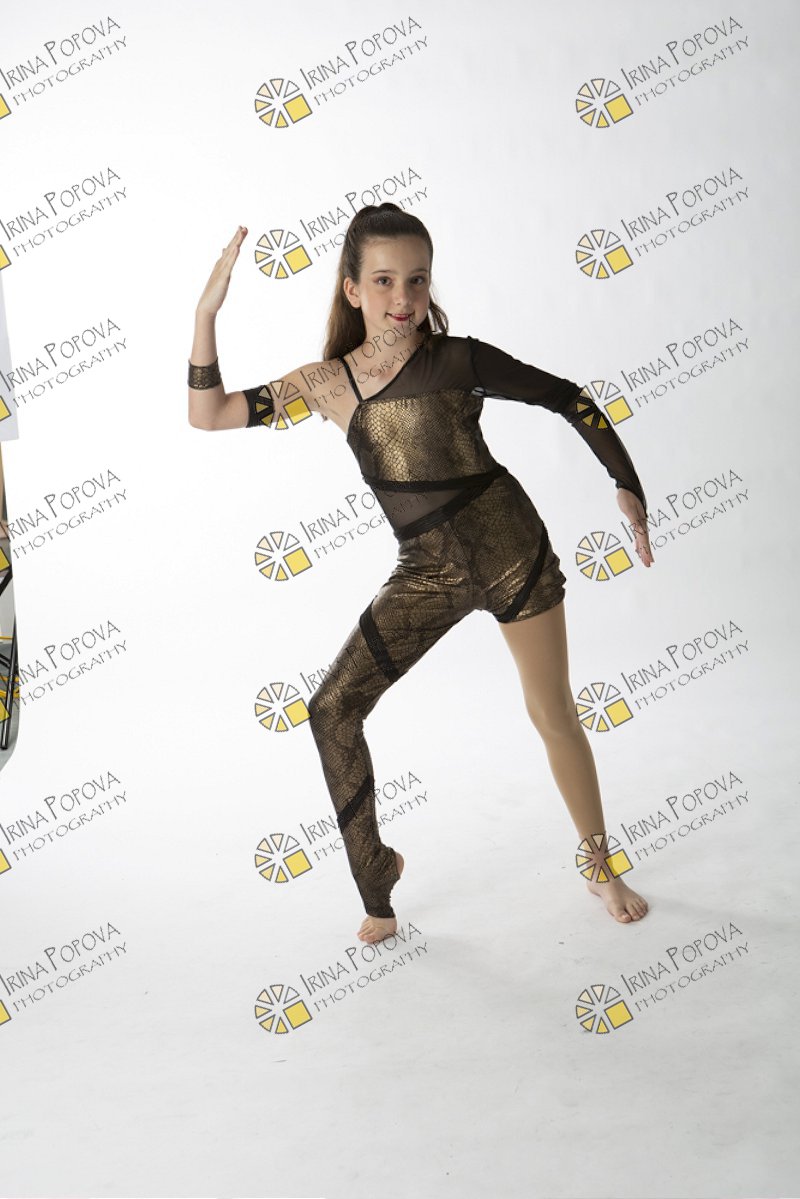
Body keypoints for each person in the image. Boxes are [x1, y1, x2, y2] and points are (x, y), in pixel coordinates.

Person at [188, 204, 653, 945]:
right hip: (427, 573)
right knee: (331, 709)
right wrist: (207, 314)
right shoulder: (325, 383)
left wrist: (624, 481)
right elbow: (208, 414)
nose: (402, 297)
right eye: (383, 280)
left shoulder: (458, 359)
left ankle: (601, 866)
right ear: (351, 290)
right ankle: (377, 883)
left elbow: (568, 396)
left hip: (511, 550)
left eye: (416, 279)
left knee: (553, 714)